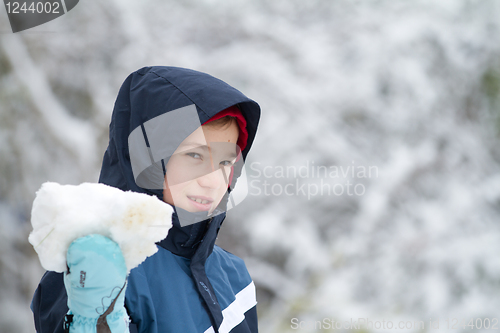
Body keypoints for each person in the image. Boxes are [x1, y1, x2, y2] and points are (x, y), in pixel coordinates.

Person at [31, 66, 261, 333]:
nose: (212, 180)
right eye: (195, 156)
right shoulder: (97, 270)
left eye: (224, 162)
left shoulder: (234, 275)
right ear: (148, 158)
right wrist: (93, 317)